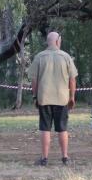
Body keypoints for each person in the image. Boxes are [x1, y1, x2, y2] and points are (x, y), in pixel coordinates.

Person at [27, 31, 78, 166]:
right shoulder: (66, 57)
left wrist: (35, 95)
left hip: (44, 98)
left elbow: (34, 80)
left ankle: (44, 158)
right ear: (58, 41)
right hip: (62, 99)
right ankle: (65, 157)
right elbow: (72, 79)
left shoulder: (39, 57)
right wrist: (72, 97)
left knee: (45, 128)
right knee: (62, 128)